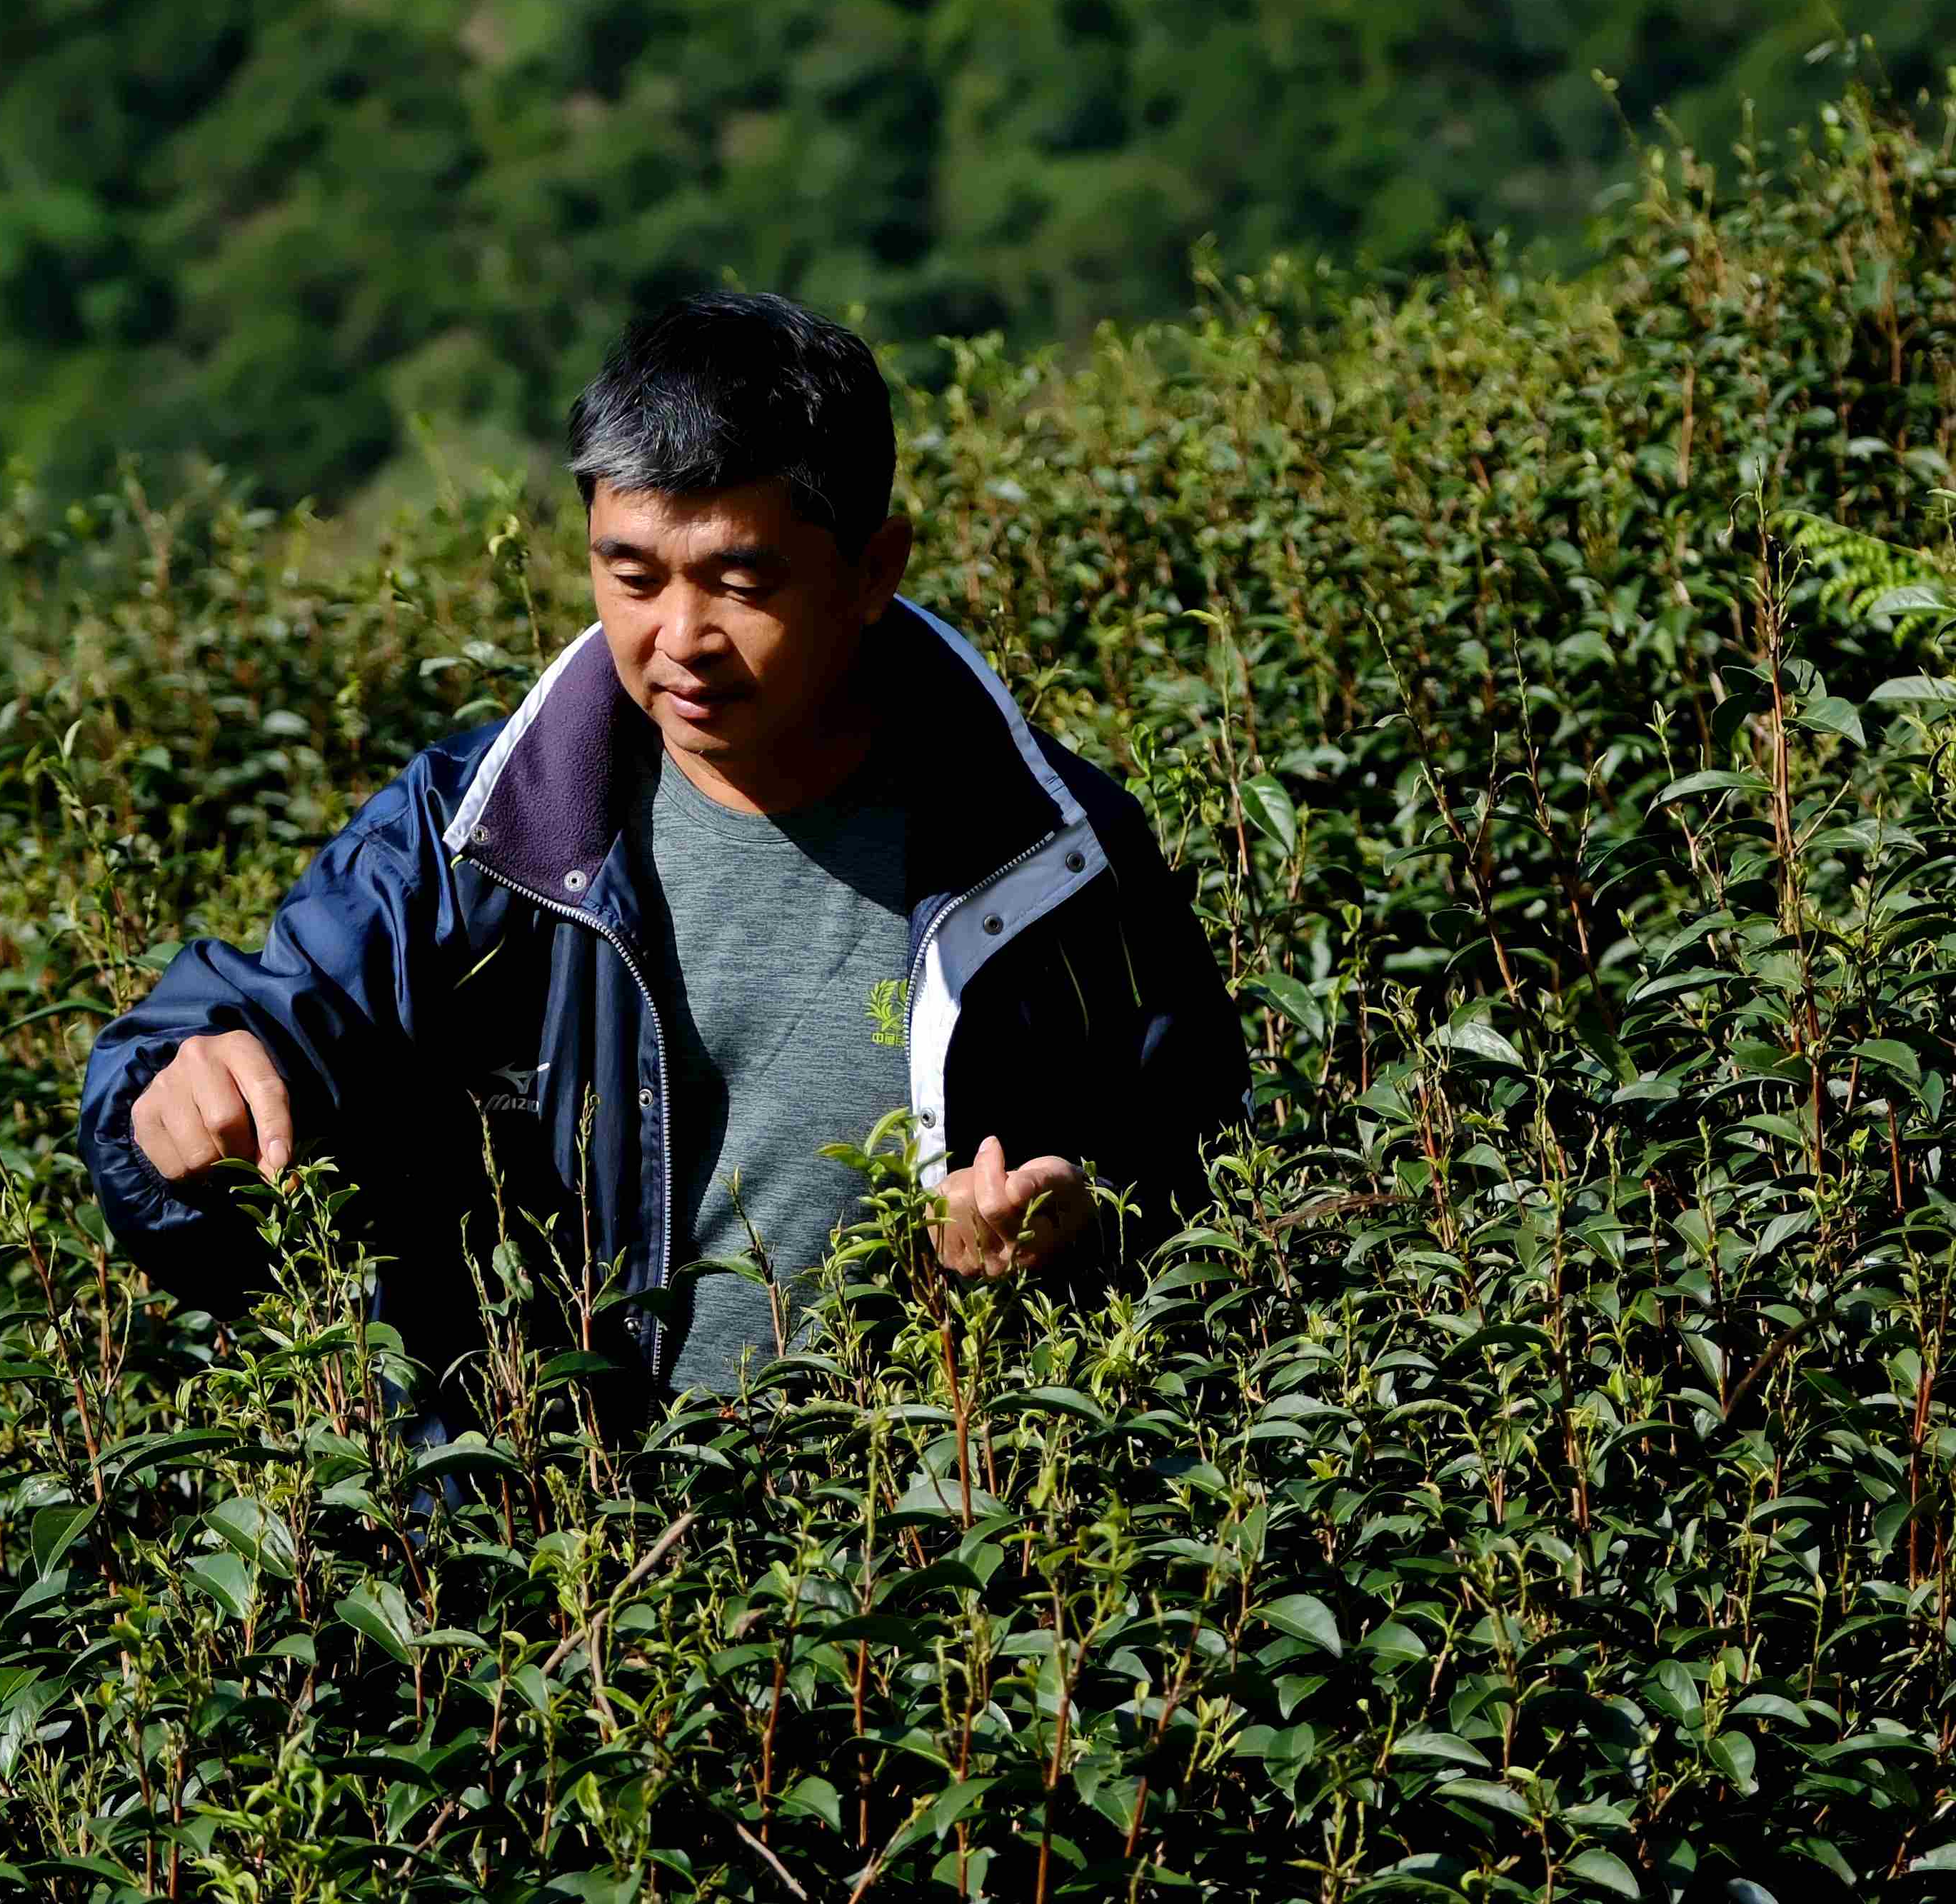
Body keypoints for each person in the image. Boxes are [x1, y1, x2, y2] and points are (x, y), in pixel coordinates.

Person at [77, 292, 1247, 1421]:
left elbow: (1200, 1159)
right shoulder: (482, 836)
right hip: (558, 1550)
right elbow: (255, 1024)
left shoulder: (1049, 853)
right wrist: (171, 1100)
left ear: (875, 570)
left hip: (933, 1546)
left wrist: (1081, 1227)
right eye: (630, 577)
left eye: (742, 583)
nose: (678, 641)